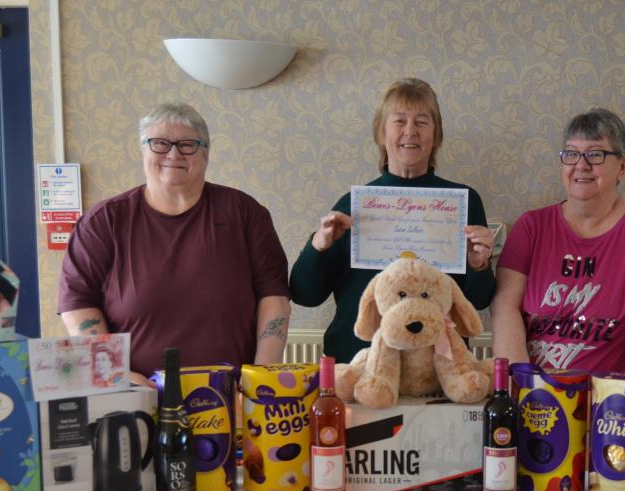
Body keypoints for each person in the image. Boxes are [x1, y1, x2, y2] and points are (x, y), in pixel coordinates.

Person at [58, 103, 291, 384]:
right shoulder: (104, 221)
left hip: (233, 397)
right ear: (143, 150)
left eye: (188, 144)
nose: (173, 154)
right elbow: (78, 304)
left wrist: (261, 377)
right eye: (159, 144)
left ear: (206, 153)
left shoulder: (245, 213)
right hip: (138, 397)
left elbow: (274, 298)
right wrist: (116, 375)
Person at [290, 78, 496, 364]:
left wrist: (478, 265)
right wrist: (319, 246)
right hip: (361, 364)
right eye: (399, 121)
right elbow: (304, 295)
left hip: (436, 367)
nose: (410, 131)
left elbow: (479, 301)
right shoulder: (353, 206)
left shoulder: (463, 202)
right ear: (381, 133)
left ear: (435, 135)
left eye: (422, 122)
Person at [492, 108, 625, 372]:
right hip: (538, 396)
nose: (581, 165)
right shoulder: (530, 226)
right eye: (571, 153)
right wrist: (523, 383)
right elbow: (504, 306)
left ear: (622, 166)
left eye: (595, 154)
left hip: (612, 402)